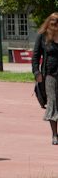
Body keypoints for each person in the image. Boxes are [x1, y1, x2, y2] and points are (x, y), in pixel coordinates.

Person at [31, 12, 58, 145]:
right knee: (52, 103)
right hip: (49, 75)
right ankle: (54, 134)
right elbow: (36, 55)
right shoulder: (43, 36)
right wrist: (36, 72)